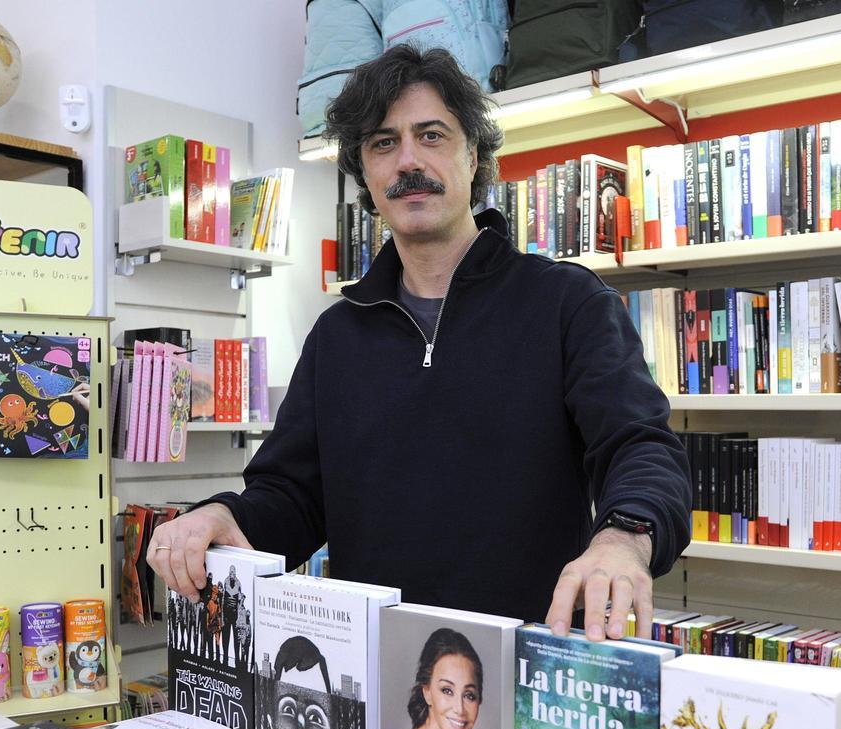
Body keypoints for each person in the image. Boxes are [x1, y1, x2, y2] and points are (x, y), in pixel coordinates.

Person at [146, 44, 691, 641]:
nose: (408, 160)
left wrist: (623, 536)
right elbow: (292, 497)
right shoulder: (337, 336)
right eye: (383, 143)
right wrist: (223, 513)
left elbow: (640, 445)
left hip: (532, 657)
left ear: (473, 155)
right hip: (379, 668)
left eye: (431, 135)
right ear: (365, 173)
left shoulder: (566, 303)